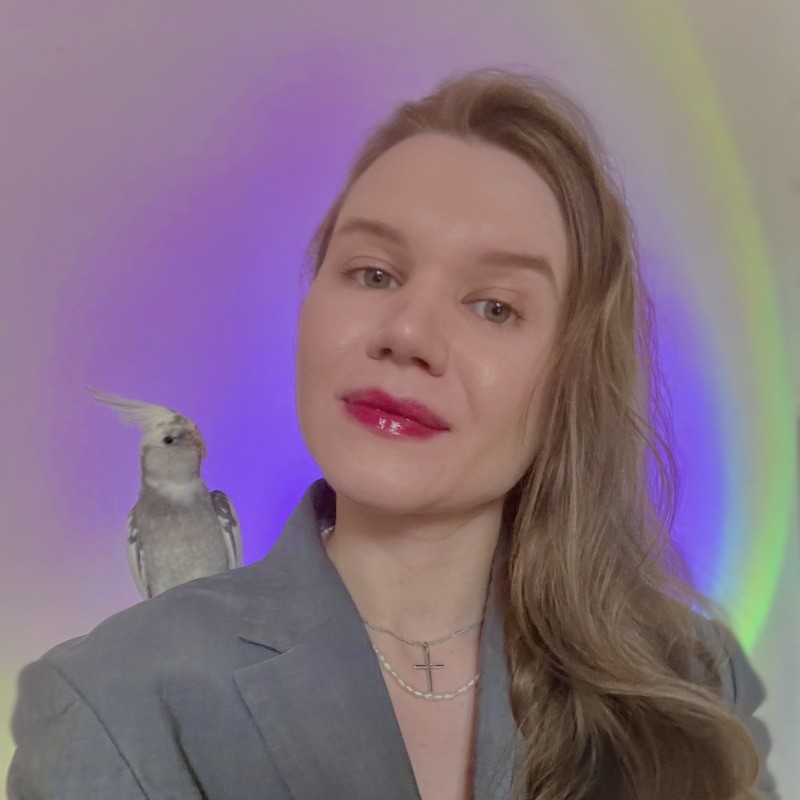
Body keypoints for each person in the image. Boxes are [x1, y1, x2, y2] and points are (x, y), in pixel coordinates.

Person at [6, 67, 779, 800]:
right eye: (374, 273)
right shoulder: (111, 702)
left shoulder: (697, 684)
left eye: (495, 307)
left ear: (572, 377)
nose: (407, 333)